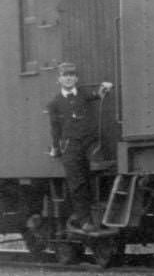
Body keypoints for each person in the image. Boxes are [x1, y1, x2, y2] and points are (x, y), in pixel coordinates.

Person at [46, 62, 113, 234]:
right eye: (65, 75)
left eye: (71, 75)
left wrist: (104, 88)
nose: (68, 78)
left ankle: (101, 214)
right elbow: (55, 128)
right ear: (59, 79)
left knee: (94, 176)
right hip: (70, 146)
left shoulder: (83, 93)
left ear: (76, 78)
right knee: (77, 184)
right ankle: (84, 221)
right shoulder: (55, 103)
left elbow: (98, 94)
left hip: (89, 143)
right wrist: (55, 148)